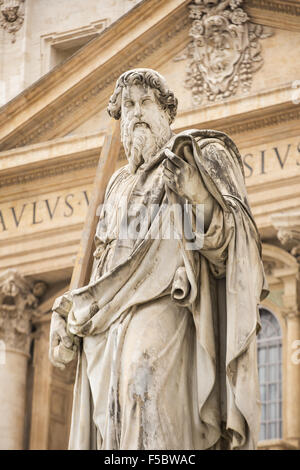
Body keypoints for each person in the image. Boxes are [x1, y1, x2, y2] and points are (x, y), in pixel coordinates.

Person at [49, 68, 268, 450]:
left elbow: (230, 249)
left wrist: (195, 194)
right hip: (109, 322)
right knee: (115, 419)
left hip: (169, 303)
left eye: (145, 102)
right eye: (128, 105)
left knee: (142, 385)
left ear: (168, 111)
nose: (135, 113)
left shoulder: (197, 157)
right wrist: (69, 308)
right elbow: (101, 264)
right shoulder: (118, 184)